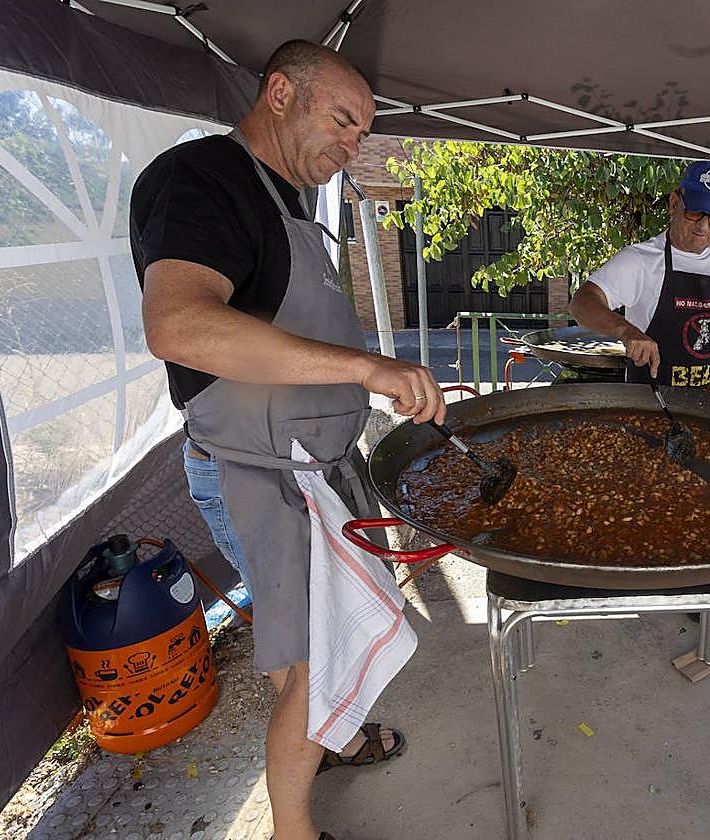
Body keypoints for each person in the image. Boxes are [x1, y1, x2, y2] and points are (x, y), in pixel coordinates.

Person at [130, 40, 442, 840]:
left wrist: (363, 388)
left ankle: (323, 743)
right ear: (279, 93)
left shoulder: (289, 203)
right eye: (342, 122)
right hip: (259, 474)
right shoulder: (202, 179)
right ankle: (292, 828)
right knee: (312, 665)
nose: (351, 148)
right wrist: (367, 368)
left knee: (313, 650)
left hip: (316, 471)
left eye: (361, 134)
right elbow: (178, 324)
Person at [569, 160, 710, 392]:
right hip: (652, 405)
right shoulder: (640, 259)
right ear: (674, 203)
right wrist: (627, 331)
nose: (703, 227)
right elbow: (581, 304)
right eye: (695, 213)